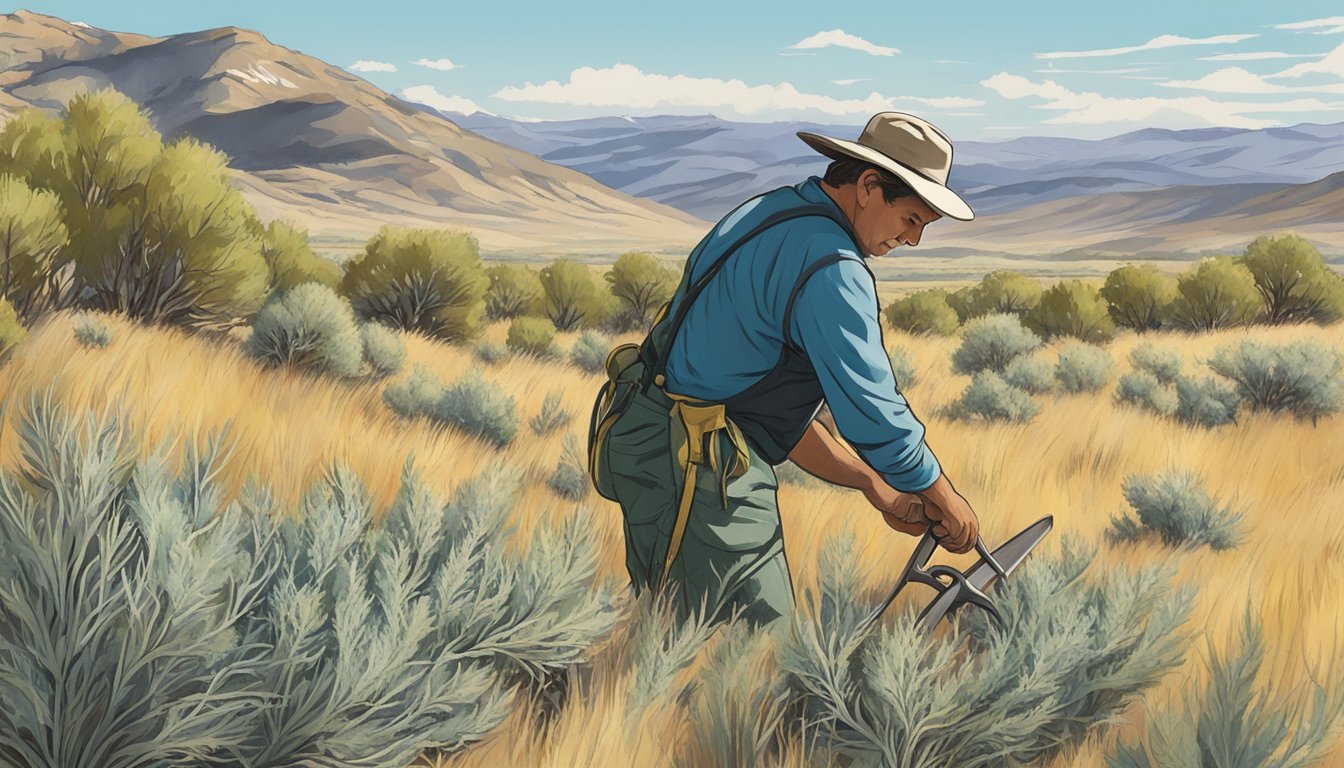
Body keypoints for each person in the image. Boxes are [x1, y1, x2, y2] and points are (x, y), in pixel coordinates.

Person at [587, 111, 981, 626]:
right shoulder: (832, 267)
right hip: (700, 472)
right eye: (910, 219)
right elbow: (874, 413)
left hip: (654, 442)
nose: (913, 240)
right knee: (756, 652)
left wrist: (874, 485)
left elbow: (755, 408)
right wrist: (943, 496)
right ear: (867, 186)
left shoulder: (773, 212)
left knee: (670, 629)